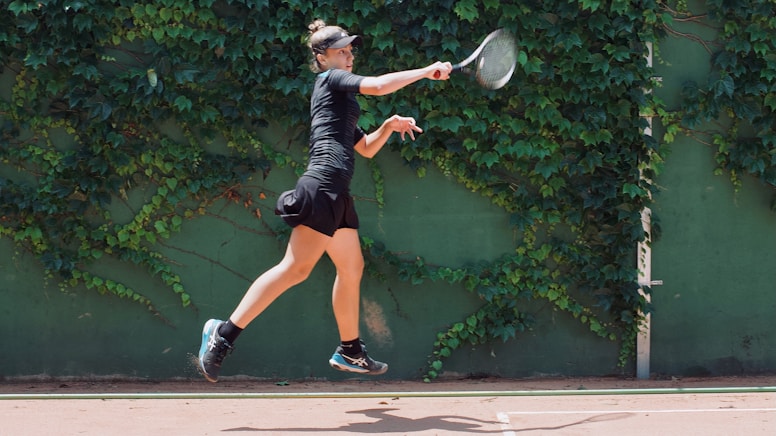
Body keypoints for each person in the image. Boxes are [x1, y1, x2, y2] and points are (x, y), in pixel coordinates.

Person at [197, 19, 452, 382]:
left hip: (336, 192)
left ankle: (350, 350)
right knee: (295, 269)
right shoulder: (330, 80)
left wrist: (388, 126)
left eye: (350, 51)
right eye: (341, 52)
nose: (349, 57)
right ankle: (222, 334)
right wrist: (427, 71)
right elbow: (379, 86)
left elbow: (365, 148)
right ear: (321, 58)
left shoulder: (341, 101)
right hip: (322, 186)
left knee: (351, 268)